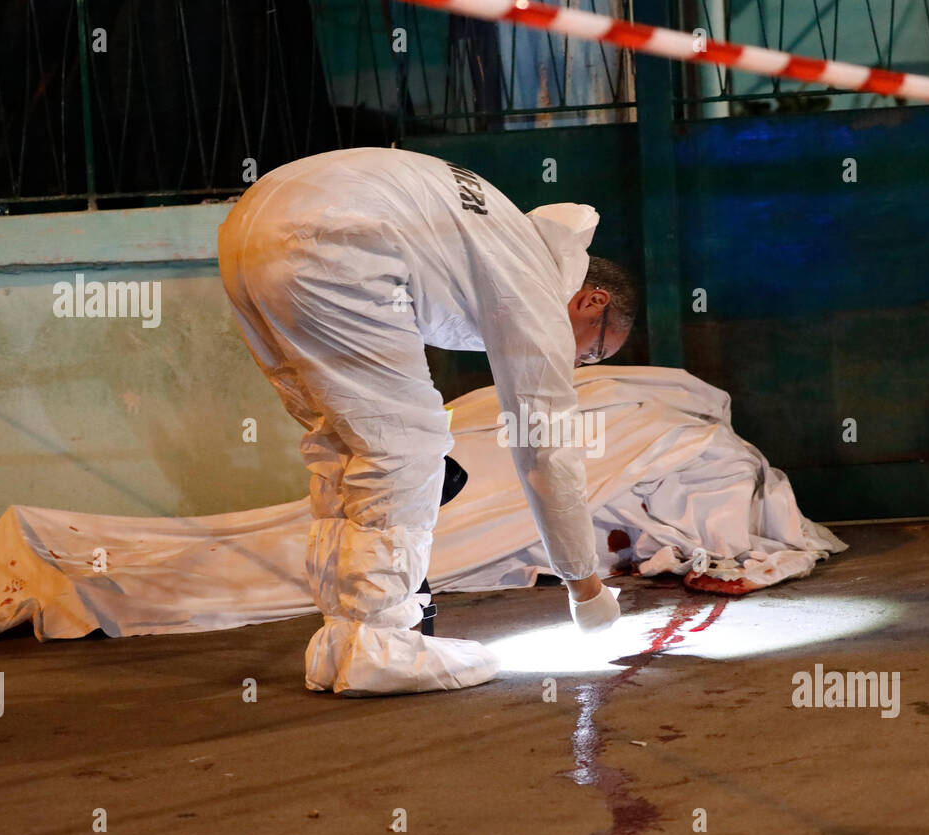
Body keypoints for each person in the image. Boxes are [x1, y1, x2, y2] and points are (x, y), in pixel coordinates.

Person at [216, 147, 637, 696]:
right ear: (592, 301)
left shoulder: (504, 239)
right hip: (331, 239)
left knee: (344, 442)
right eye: (596, 353)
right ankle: (380, 646)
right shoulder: (535, 283)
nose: (579, 363)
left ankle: (343, 642)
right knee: (405, 445)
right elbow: (546, 449)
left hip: (249, 230)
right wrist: (586, 589)